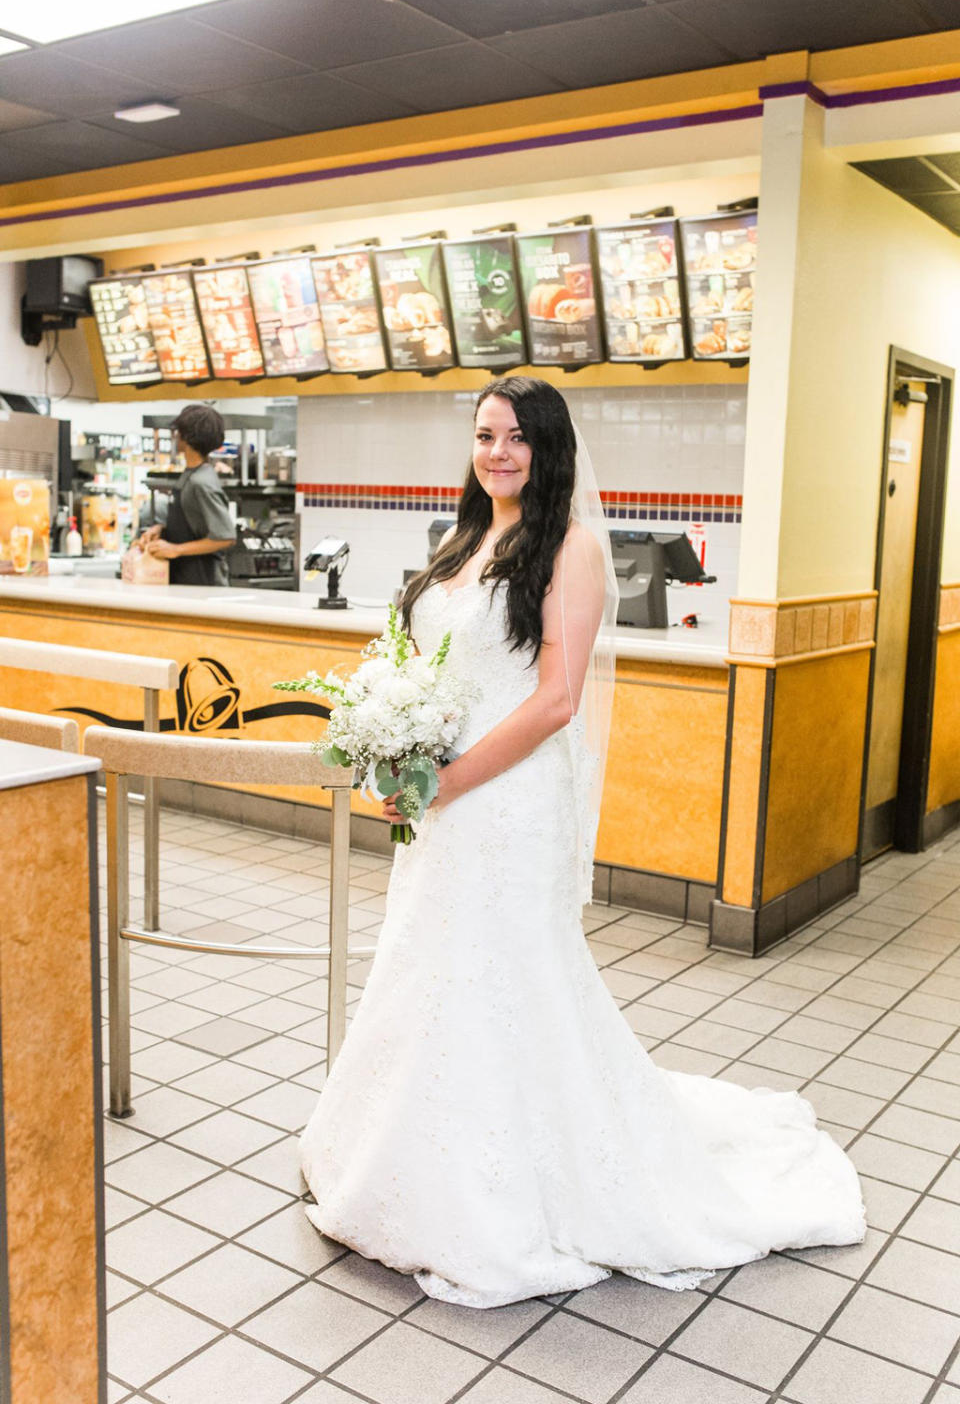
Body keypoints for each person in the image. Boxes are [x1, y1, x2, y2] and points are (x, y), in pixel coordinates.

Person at [298, 376, 865, 1309]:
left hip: (506, 800)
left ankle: (504, 1187)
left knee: (504, 973)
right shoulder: (459, 542)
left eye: (517, 437)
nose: (498, 453)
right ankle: (397, 1152)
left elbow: (557, 701)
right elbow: (425, 665)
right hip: (442, 801)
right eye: (485, 435)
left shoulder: (573, 546)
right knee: (427, 962)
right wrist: (393, 741)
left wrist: (446, 778)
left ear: (549, 447)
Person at [139, 404, 236, 585]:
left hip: (204, 583)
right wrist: (162, 529)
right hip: (186, 578)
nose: (175, 436)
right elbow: (194, 526)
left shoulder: (202, 482)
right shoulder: (191, 475)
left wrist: (176, 549)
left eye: (178, 431)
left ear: (186, 436)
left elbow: (225, 537)